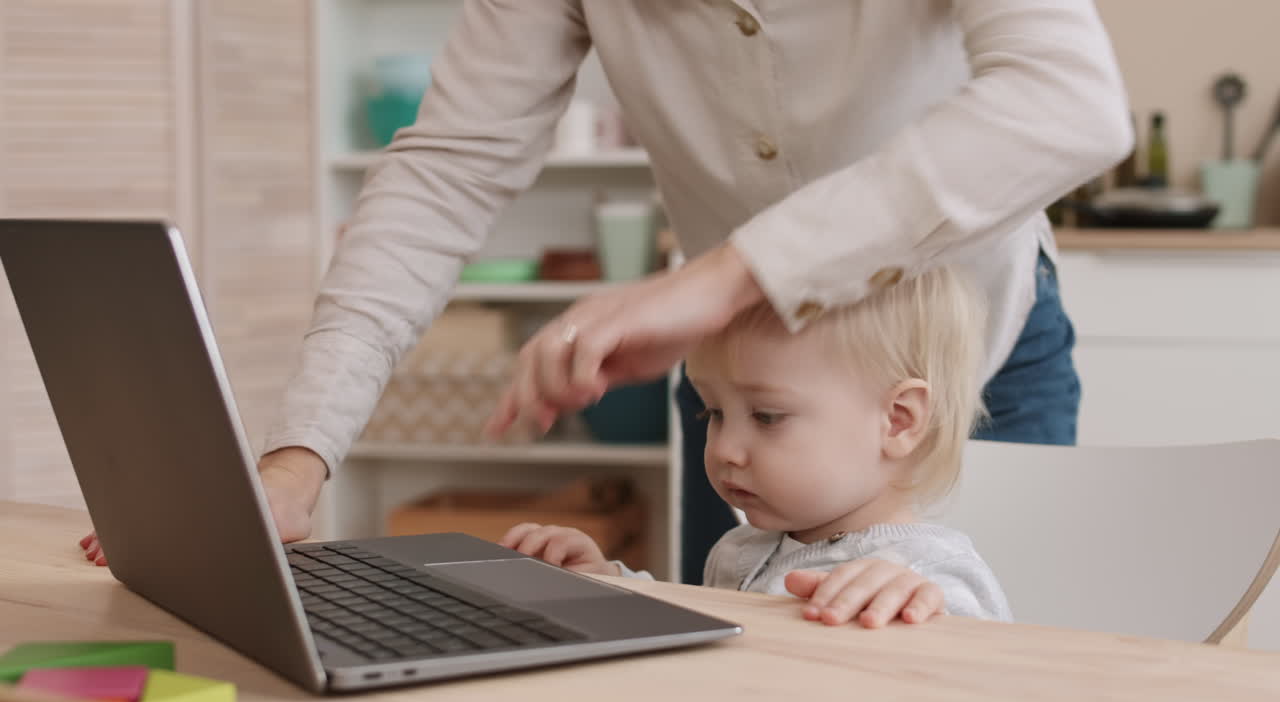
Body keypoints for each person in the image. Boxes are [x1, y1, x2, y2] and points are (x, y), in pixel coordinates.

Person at [79, 2, 1132, 574]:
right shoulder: (742, 432)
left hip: (973, 341)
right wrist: (295, 457)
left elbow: (1070, 107)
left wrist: (727, 279)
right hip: (731, 368)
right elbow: (446, 170)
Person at [501, 265, 1011, 625]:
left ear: (898, 421)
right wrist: (612, 581)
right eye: (713, 413)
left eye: (767, 416)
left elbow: (996, 676)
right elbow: (708, 634)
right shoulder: (741, 551)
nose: (725, 448)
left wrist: (924, 613)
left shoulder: (933, 573)